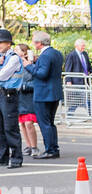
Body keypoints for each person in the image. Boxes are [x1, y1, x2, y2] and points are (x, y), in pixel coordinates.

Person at [29, 30, 64, 159]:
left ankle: (50, 149)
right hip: (54, 92)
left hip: (43, 93)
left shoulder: (45, 56)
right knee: (50, 122)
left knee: (44, 123)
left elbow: (42, 74)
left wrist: (29, 66)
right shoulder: (57, 53)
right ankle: (54, 147)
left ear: (39, 43)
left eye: (34, 42)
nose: (33, 44)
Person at [0, 29, 24, 167]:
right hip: (1, 94)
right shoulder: (2, 57)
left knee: (10, 128)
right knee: (1, 128)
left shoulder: (14, 57)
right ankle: (2, 157)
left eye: (1, 43)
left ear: (8, 43)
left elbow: (3, 75)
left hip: (9, 95)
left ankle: (16, 158)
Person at [16, 43, 41, 155]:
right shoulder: (15, 64)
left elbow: (36, 82)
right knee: (22, 124)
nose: (14, 52)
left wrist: (23, 86)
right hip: (19, 98)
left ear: (24, 52)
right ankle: (28, 146)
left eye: (17, 50)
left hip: (29, 97)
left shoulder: (32, 64)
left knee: (28, 123)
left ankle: (34, 146)